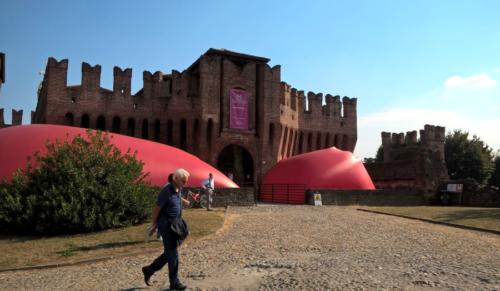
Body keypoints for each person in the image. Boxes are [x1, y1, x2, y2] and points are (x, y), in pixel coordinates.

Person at [142, 169, 191, 290]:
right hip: (166, 224)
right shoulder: (166, 190)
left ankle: (149, 269)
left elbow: (176, 196)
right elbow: (156, 208)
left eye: (186, 181)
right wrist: (154, 224)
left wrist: (183, 201)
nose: (185, 183)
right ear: (175, 179)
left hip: (176, 223)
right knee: (173, 254)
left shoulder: (178, 188)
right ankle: (174, 282)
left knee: (170, 252)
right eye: (183, 181)